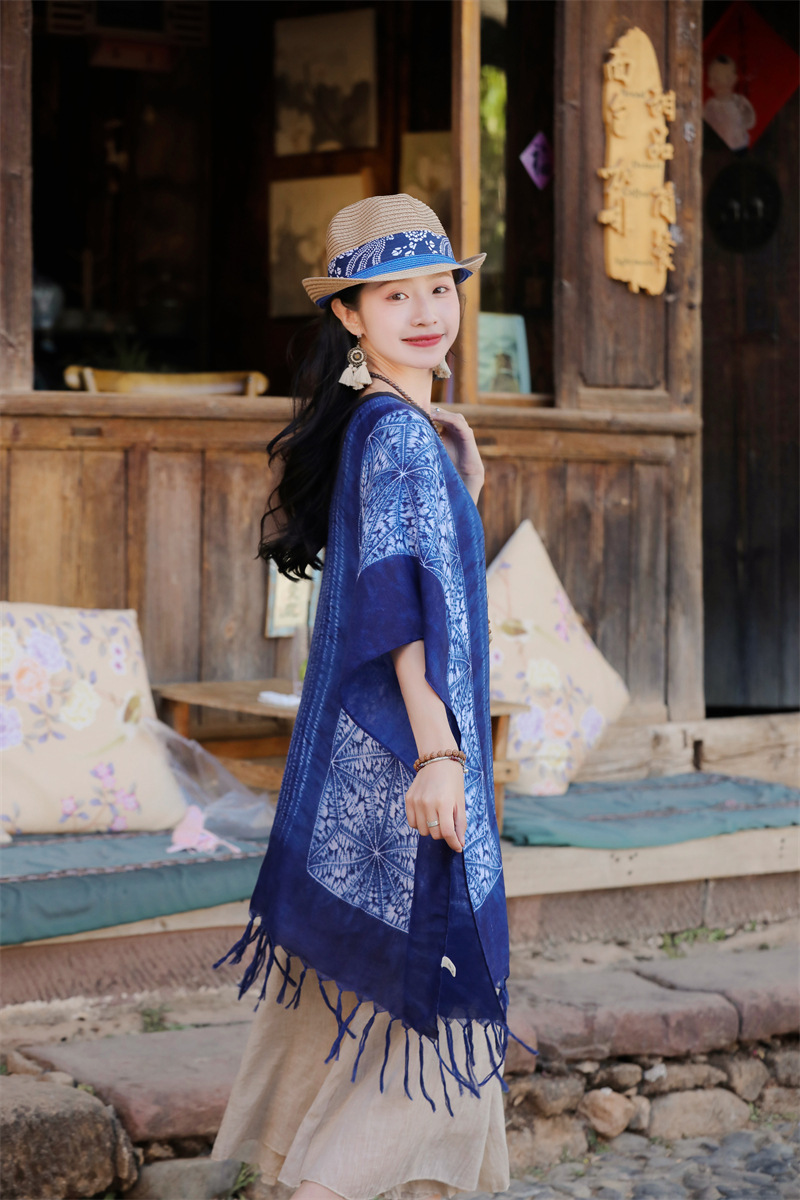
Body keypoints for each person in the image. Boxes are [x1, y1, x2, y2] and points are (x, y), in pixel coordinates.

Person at [212, 194, 518, 1200]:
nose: (427, 311)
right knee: (433, 1015)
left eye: (440, 287)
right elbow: (402, 609)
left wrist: (462, 484)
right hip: (412, 764)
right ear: (348, 314)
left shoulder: (391, 427)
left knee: (355, 1009)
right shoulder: (397, 436)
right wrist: (438, 754)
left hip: (378, 767)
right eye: (395, 295)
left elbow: (416, 573)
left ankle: (269, 1173)